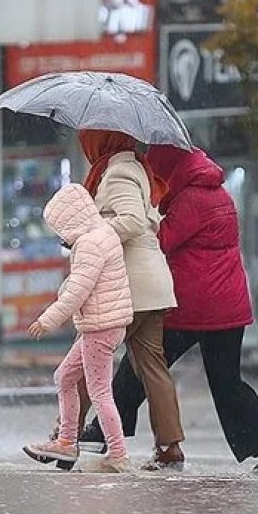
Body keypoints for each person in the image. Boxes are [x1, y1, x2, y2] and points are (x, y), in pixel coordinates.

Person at [78, 146, 258, 475]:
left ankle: (100, 435)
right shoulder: (216, 194)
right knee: (227, 384)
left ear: (172, 169)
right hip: (228, 309)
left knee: (142, 363)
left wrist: (142, 215)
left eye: (158, 173)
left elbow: (161, 240)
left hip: (194, 307)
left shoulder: (192, 200)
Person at [71, 129, 185, 470]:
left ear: (102, 140)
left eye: (88, 139)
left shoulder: (117, 172)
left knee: (85, 361)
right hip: (153, 285)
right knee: (153, 368)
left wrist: (92, 235)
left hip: (128, 286)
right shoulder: (137, 167)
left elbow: (133, 221)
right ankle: (170, 447)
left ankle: (66, 436)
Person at [22, 184, 134, 473]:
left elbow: (77, 292)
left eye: (59, 228)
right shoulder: (104, 232)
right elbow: (83, 284)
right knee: (64, 377)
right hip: (105, 324)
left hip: (99, 327)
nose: (60, 236)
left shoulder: (89, 244)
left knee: (99, 393)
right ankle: (67, 443)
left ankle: (118, 454)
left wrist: (47, 320)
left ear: (69, 221)